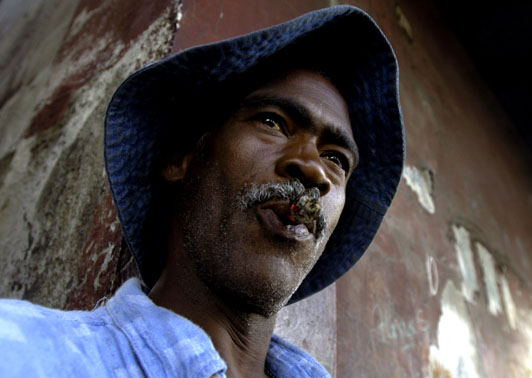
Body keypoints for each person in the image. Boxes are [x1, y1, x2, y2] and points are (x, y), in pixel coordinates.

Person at [0, 5, 404, 378]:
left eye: (336, 159)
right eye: (273, 122)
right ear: (181, 158)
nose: (314, 169)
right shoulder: (25, 353)